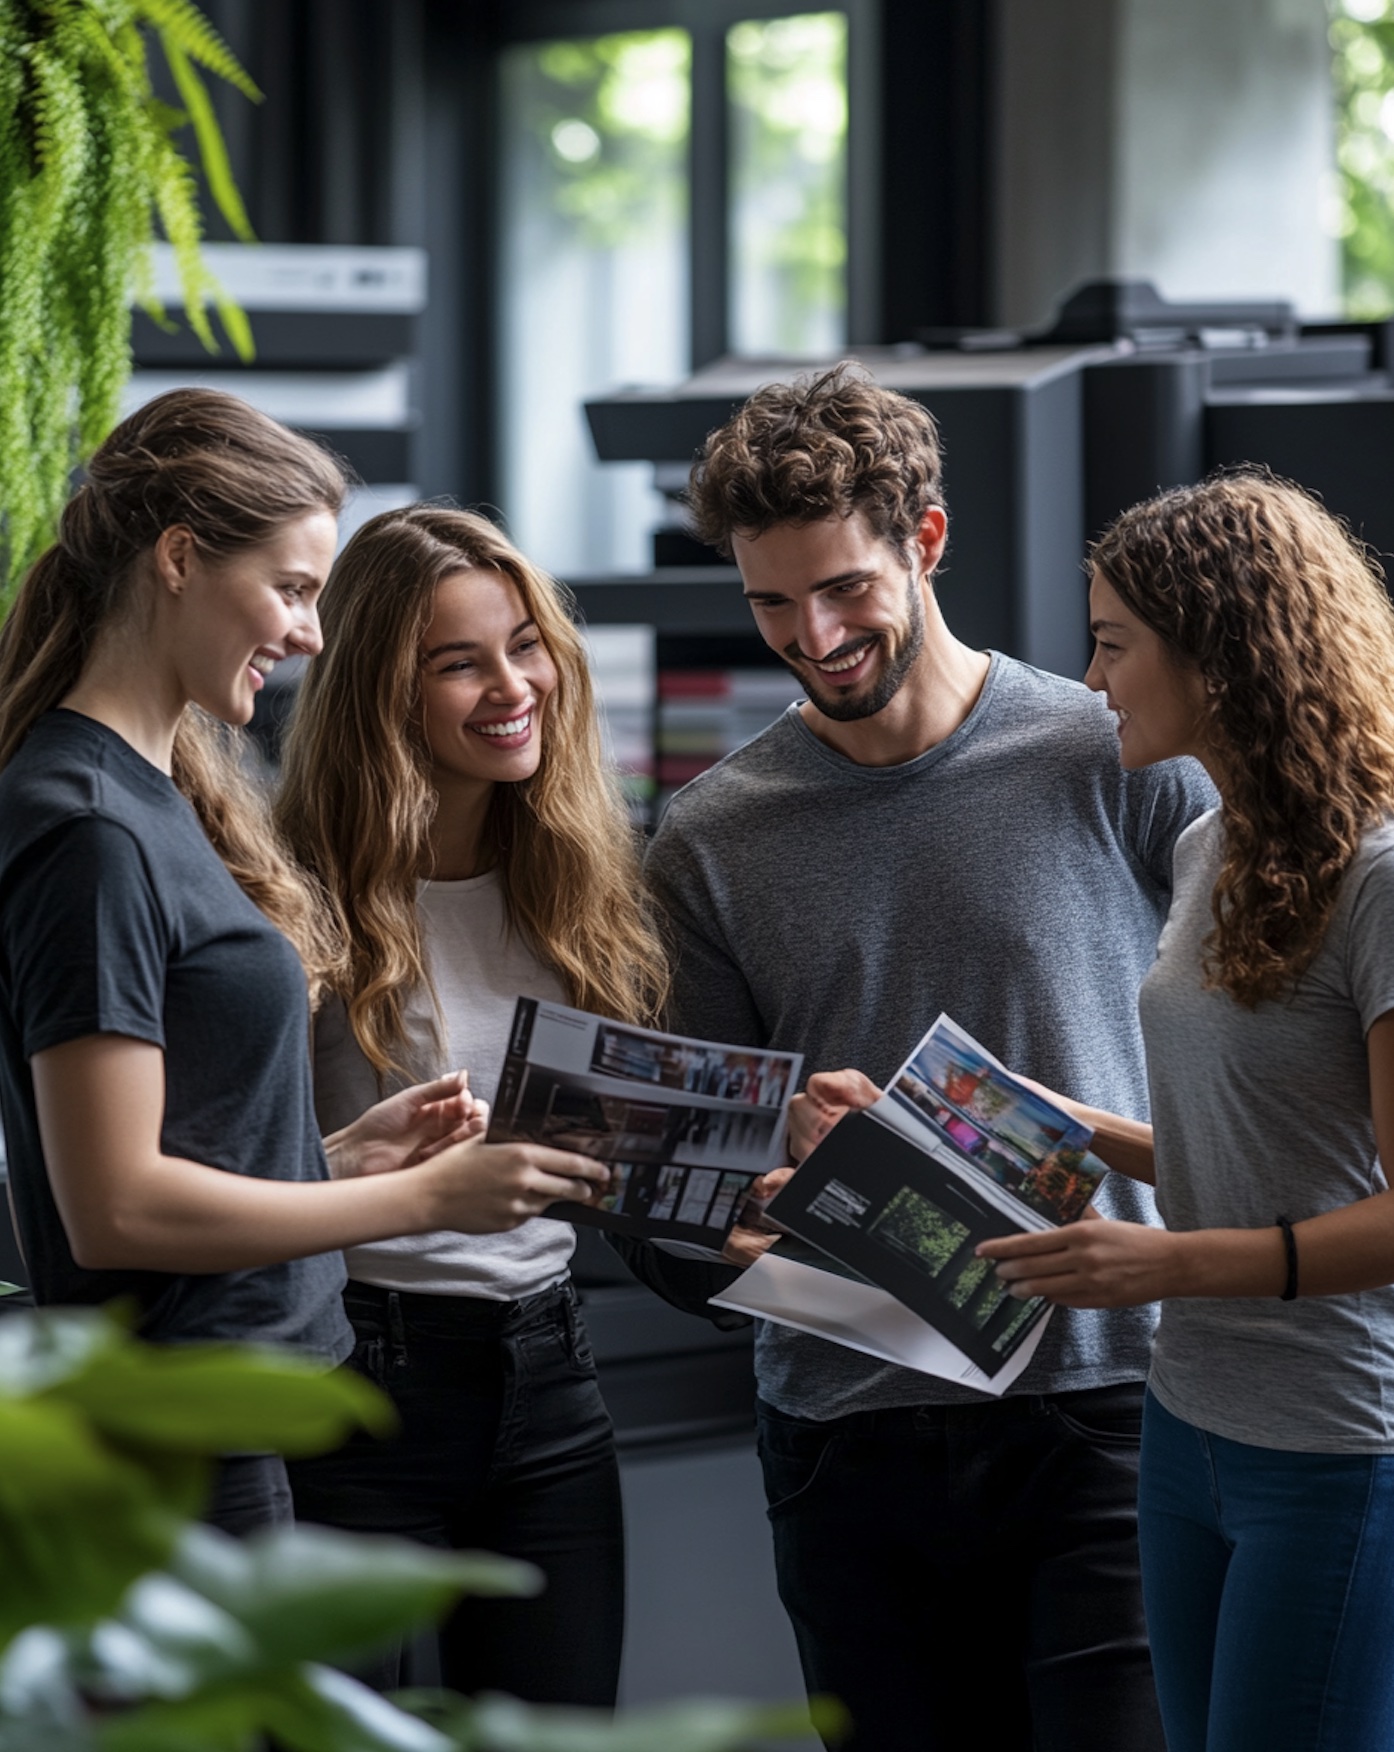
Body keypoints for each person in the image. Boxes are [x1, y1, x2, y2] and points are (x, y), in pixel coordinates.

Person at [640, 363, 1215, 1751]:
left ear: (927, 540)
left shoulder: (1115, 751)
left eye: (842, 589)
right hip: (848, 1420)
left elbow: (1252, 1042)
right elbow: (684, 1172)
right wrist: (764, 1166)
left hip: (1104, 1393)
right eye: (770, 601)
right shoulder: (710, 834)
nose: (812, 635)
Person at [0, 392, 609, 1536]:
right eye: (290, 589)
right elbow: (114, 1208)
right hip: (178, 1434)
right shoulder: (87, 824)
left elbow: (180, 1154)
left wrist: (328, 1159)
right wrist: (419, 1195)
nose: (310, 635)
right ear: (179, 559)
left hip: (240, 1412)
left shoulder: (155, 795)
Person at [977, 472, 1394, 1752]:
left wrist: (1161, 1262)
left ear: (1219, 652)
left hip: (1334, 1445)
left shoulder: (1377, 877)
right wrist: (1013, 1110)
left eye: (1112, 643)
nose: (1090, 678)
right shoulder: (1209, 843)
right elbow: (1255, 1152)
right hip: (1187, 1423)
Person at [275, 505, 667, 1706]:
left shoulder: (585, 880)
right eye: (459, 662)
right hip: (360, 1383)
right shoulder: (291, 895)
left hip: (549, 1380)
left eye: (525, 644)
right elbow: (237, 1173)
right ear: (381, 693)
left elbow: (608, 1152)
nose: (513, 686)